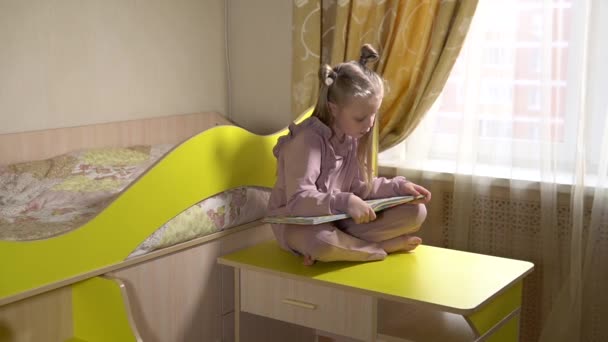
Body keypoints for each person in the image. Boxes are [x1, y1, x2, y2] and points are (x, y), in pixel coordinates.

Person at [268, 44, 431, 265]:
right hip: (298, 223)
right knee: (321, 241)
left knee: (416, 212)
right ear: (334, 109)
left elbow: (360, 188)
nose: (369, 124)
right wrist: (345, 201)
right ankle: (376, 248)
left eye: (373, 115)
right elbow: (298, 200)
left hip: (338, 218)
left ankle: (346, 248)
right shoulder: (307, 141)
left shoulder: (350, 138)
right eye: (360, 118)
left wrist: (398, 188)